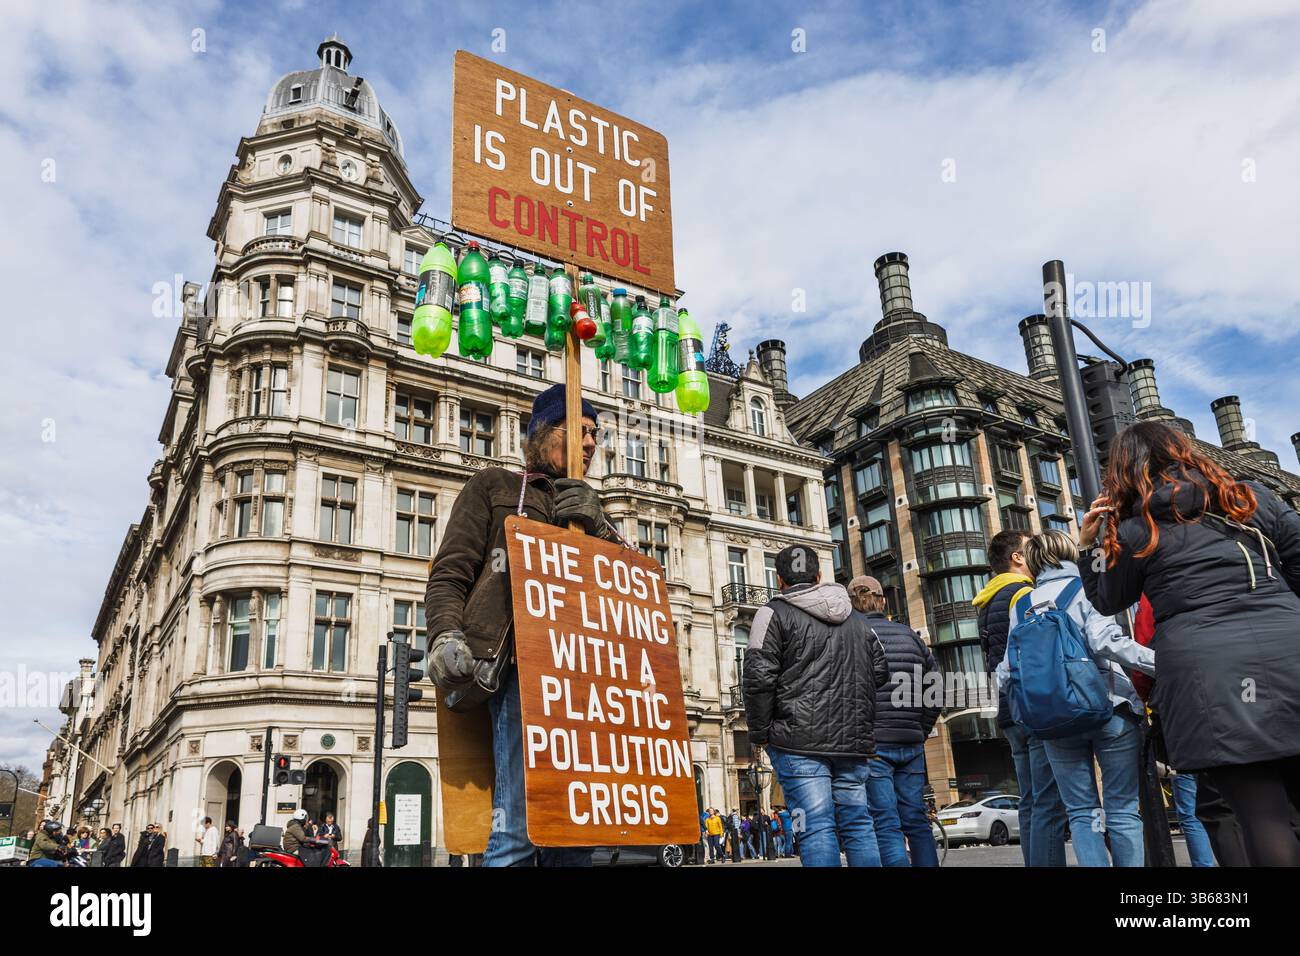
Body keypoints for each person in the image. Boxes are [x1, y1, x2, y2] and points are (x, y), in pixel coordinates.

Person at [1079, 421, 1300, 866]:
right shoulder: (1249, 498)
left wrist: (1090, 547)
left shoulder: (1133, 530)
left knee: (1261, 816)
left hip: (1210, 673)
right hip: (1290, 647)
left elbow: (1108, 599)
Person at [426, 384, 619, 868]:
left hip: (585, 683)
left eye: (596, 434)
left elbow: (628, 591)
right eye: (579, 430)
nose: (591, 444)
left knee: (576, 830)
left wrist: (599, 527)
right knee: (518, 821)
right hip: (521, 671)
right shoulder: (492, 487)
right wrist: (444, 635)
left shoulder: (594, 512)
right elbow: (450, 572)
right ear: (540, 434)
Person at [997, 530, 1155, 867]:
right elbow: (1105, 643)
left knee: (1082, 813)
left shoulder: (1022, 604)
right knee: (1122, 810)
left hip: (1054, 720)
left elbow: (1007, 672)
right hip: (1109, 707)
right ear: (1069, 552)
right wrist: (1161, 663)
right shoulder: (1086, 589)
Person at [743, 544, 889, 867]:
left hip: (796, 743)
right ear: (819, 576)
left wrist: (759, 734)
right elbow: (880, 671)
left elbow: (758, 679)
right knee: (859, 823)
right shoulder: (859, 621)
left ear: (779, 580)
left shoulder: (773, 613)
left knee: (812, 827)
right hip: (852, 743)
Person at [974, 530, 1068, 867]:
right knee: (1047, 801)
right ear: (1017, 557)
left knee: (1030, 800)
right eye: (1031, 548)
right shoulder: (1022, 594)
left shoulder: (986, 601)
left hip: (1008, 708)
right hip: (1034, 705)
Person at [850, 574, 941, 867]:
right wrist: (921, 728)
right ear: (882, 601)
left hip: (873, 743)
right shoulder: (910, 635)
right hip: (911, 740)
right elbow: (936, 688)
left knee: (886, 820)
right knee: (916, 818)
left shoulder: (851, 637)